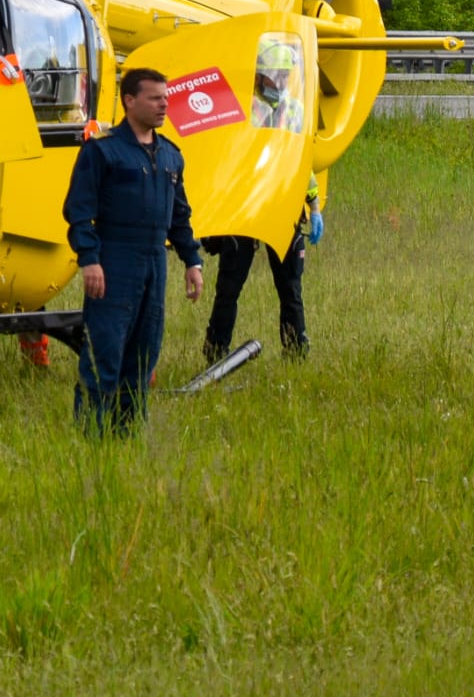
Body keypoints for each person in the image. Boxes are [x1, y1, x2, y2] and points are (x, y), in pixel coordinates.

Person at [62, 66, 205, 433]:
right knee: (105, 351)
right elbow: (79, 211)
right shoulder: (104, 150)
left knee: (144, 353)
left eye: (166, 97)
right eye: (155, 98)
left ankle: (126, 434)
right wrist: (90, 260)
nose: (164, 105)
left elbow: (180, 215)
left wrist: (192, 260)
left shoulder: (171, 156)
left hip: (154, 260)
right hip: (115, 259)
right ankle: (91, 434)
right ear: (129, 100)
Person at [202, 174, 322, 363]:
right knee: (228, 287)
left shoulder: (289, 142)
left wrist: (314, 207)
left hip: (282, 207)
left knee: (290, 287)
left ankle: (296, 351)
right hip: (242, 208)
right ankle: (216, 351)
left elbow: (302, 164)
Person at [249, 37, 306, 132]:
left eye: (285, 76)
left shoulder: (296, 109)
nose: (282, 83)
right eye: (275, 76)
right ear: (257, 78)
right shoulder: (245, 107)